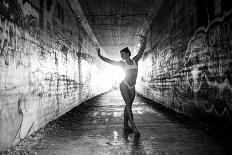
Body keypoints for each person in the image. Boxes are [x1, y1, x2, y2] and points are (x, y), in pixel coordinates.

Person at [97, 35, 146, 134]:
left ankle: (125, 125)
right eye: (121, 55)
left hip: (132, 86)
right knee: (128, 104)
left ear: (128, 54)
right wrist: (99, 55)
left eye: (123, 54)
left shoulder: (135, 60)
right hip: (124, 84)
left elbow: (142, 50)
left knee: (129, 105)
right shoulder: (122, 63)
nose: (121, 56)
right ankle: (133, 126)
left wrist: (145, 41)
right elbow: (109, 61)